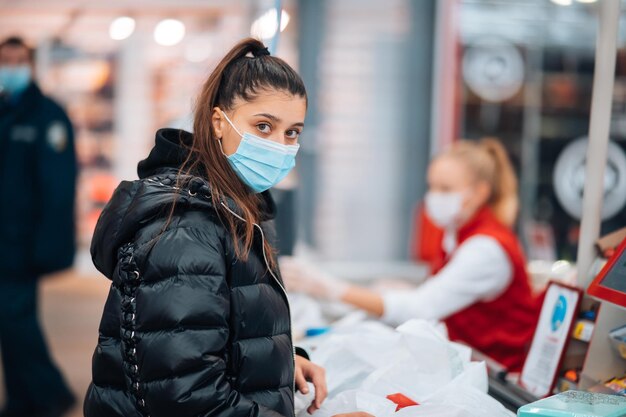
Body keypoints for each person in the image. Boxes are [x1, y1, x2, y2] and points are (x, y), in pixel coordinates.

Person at [84, 38, 328, 417]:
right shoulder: (187, 228)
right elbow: (187, 396)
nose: (280, 146)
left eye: (292, 132)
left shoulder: (234, 208)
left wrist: (282, 363)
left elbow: (208, 338)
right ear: (219, 122)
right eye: (263, 126)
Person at [281, 139, 541, 372]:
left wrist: (329, 288)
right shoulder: (457, 234)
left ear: (480, 192)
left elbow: (420, 307)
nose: (434, 196)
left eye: (446, 188)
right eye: (432, 186)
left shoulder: (486, 249)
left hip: (492, 373)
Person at [0, 37, 77, 417]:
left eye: (16, 61)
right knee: (12, 324)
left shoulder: (47, 116)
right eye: (4, 61)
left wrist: (48, 244)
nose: (9, 67)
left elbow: (59, 187)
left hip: (24, 243)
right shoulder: (5, 111)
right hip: (3, 241)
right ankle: (22, 399)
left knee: (15, 322)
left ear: (30, 66)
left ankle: (50, 393)